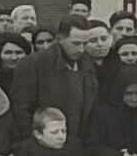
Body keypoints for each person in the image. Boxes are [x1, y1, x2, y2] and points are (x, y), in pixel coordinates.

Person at [10, 14, 98, 146]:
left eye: (85, 43)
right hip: (43, 147)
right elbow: (21, 111)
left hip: (78, 146)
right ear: (60, 39)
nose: (81, 49)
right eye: (76, 43)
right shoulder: (33, 64)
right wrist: (38, 143)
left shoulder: (87, 64)